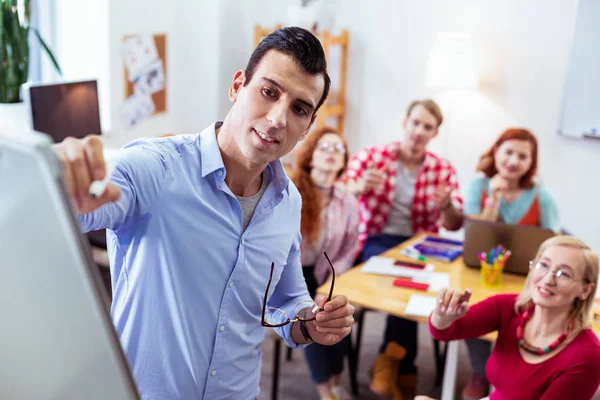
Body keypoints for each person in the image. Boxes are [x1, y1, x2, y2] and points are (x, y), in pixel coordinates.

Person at [51, 27, 355, 400]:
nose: (278, 118)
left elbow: (285, 303)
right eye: (269, 91)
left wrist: (311, 323)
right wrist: (62, 182)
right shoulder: (156, 167)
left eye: (298, 109)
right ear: (237, 86)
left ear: (307, 128)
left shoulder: (288, 202)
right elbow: (80, 208)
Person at [344, 99, 464, 399]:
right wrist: (360, 187)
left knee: (418, 284)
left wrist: (447, 205)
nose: (419, 131)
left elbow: (453, 224)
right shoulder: (373, 157)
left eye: (428, 127)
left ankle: (390, 362)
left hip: (421, 246)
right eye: (416, 123)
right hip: (377, 239)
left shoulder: (442, 168)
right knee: (405, 285)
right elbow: (339, 193)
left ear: (435, 133)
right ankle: (403, 364)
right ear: (404, 122)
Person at [419, 235, 600, 400]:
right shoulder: (509, 307)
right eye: (543, 265)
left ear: (585, 290)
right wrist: (443, 316)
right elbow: (445, 332)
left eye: (564, 274)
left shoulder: (588, 356)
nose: (547, 279)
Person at [462, 127, 560, 400]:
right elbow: (472, 234)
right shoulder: (478, 186)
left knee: (519, 318)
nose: (514, 160)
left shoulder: (542, 196)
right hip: (481, 272)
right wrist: (493, 200)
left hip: (526, 278)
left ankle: (508, 380)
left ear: (531, 163)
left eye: (523, 156)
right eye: (509, 152)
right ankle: (481, 373)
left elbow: (554, 243)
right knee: (473, 310)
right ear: (496, 152)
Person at [291, 127, 360, 400]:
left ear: (344, 162)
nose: (332, 154)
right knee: (316, 316)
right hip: (292, 273)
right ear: (310, 156)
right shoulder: (291, 191)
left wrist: (331, 283)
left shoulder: (347, 200)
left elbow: (350, 247)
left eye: (338, 149)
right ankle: (325, 391)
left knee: (341, 313)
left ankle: (335, 380)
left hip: (327, 273)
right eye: (324, 148)